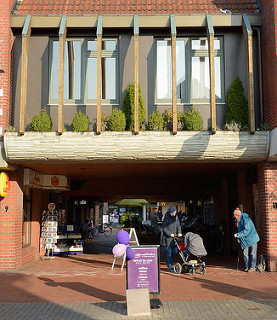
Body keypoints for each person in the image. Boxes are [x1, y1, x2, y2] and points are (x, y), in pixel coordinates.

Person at [233, 207, 260, 272]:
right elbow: (239, 230)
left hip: (252, 238)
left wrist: (238, 235)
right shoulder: (239, 221)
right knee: (245, 253)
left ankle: (252, 267)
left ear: (237, 215)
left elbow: (247, 230)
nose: (234, 217)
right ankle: (247, 266)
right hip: (245, 239)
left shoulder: (246, 219)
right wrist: (238, 239)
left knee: (253, 253)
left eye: (234, 216)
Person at [162, 206, 182, 272]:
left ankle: (167, 260)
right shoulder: (166, 218)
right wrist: (169, 234)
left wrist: (179, 232)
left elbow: (178, 226)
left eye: (174, 212)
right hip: (168, 239)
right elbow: (164, 228)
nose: (173, 214)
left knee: (175, 252)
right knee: (169, 253)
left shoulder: (176, 218)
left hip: (174, 239)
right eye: (172, 213)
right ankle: (170, 267)